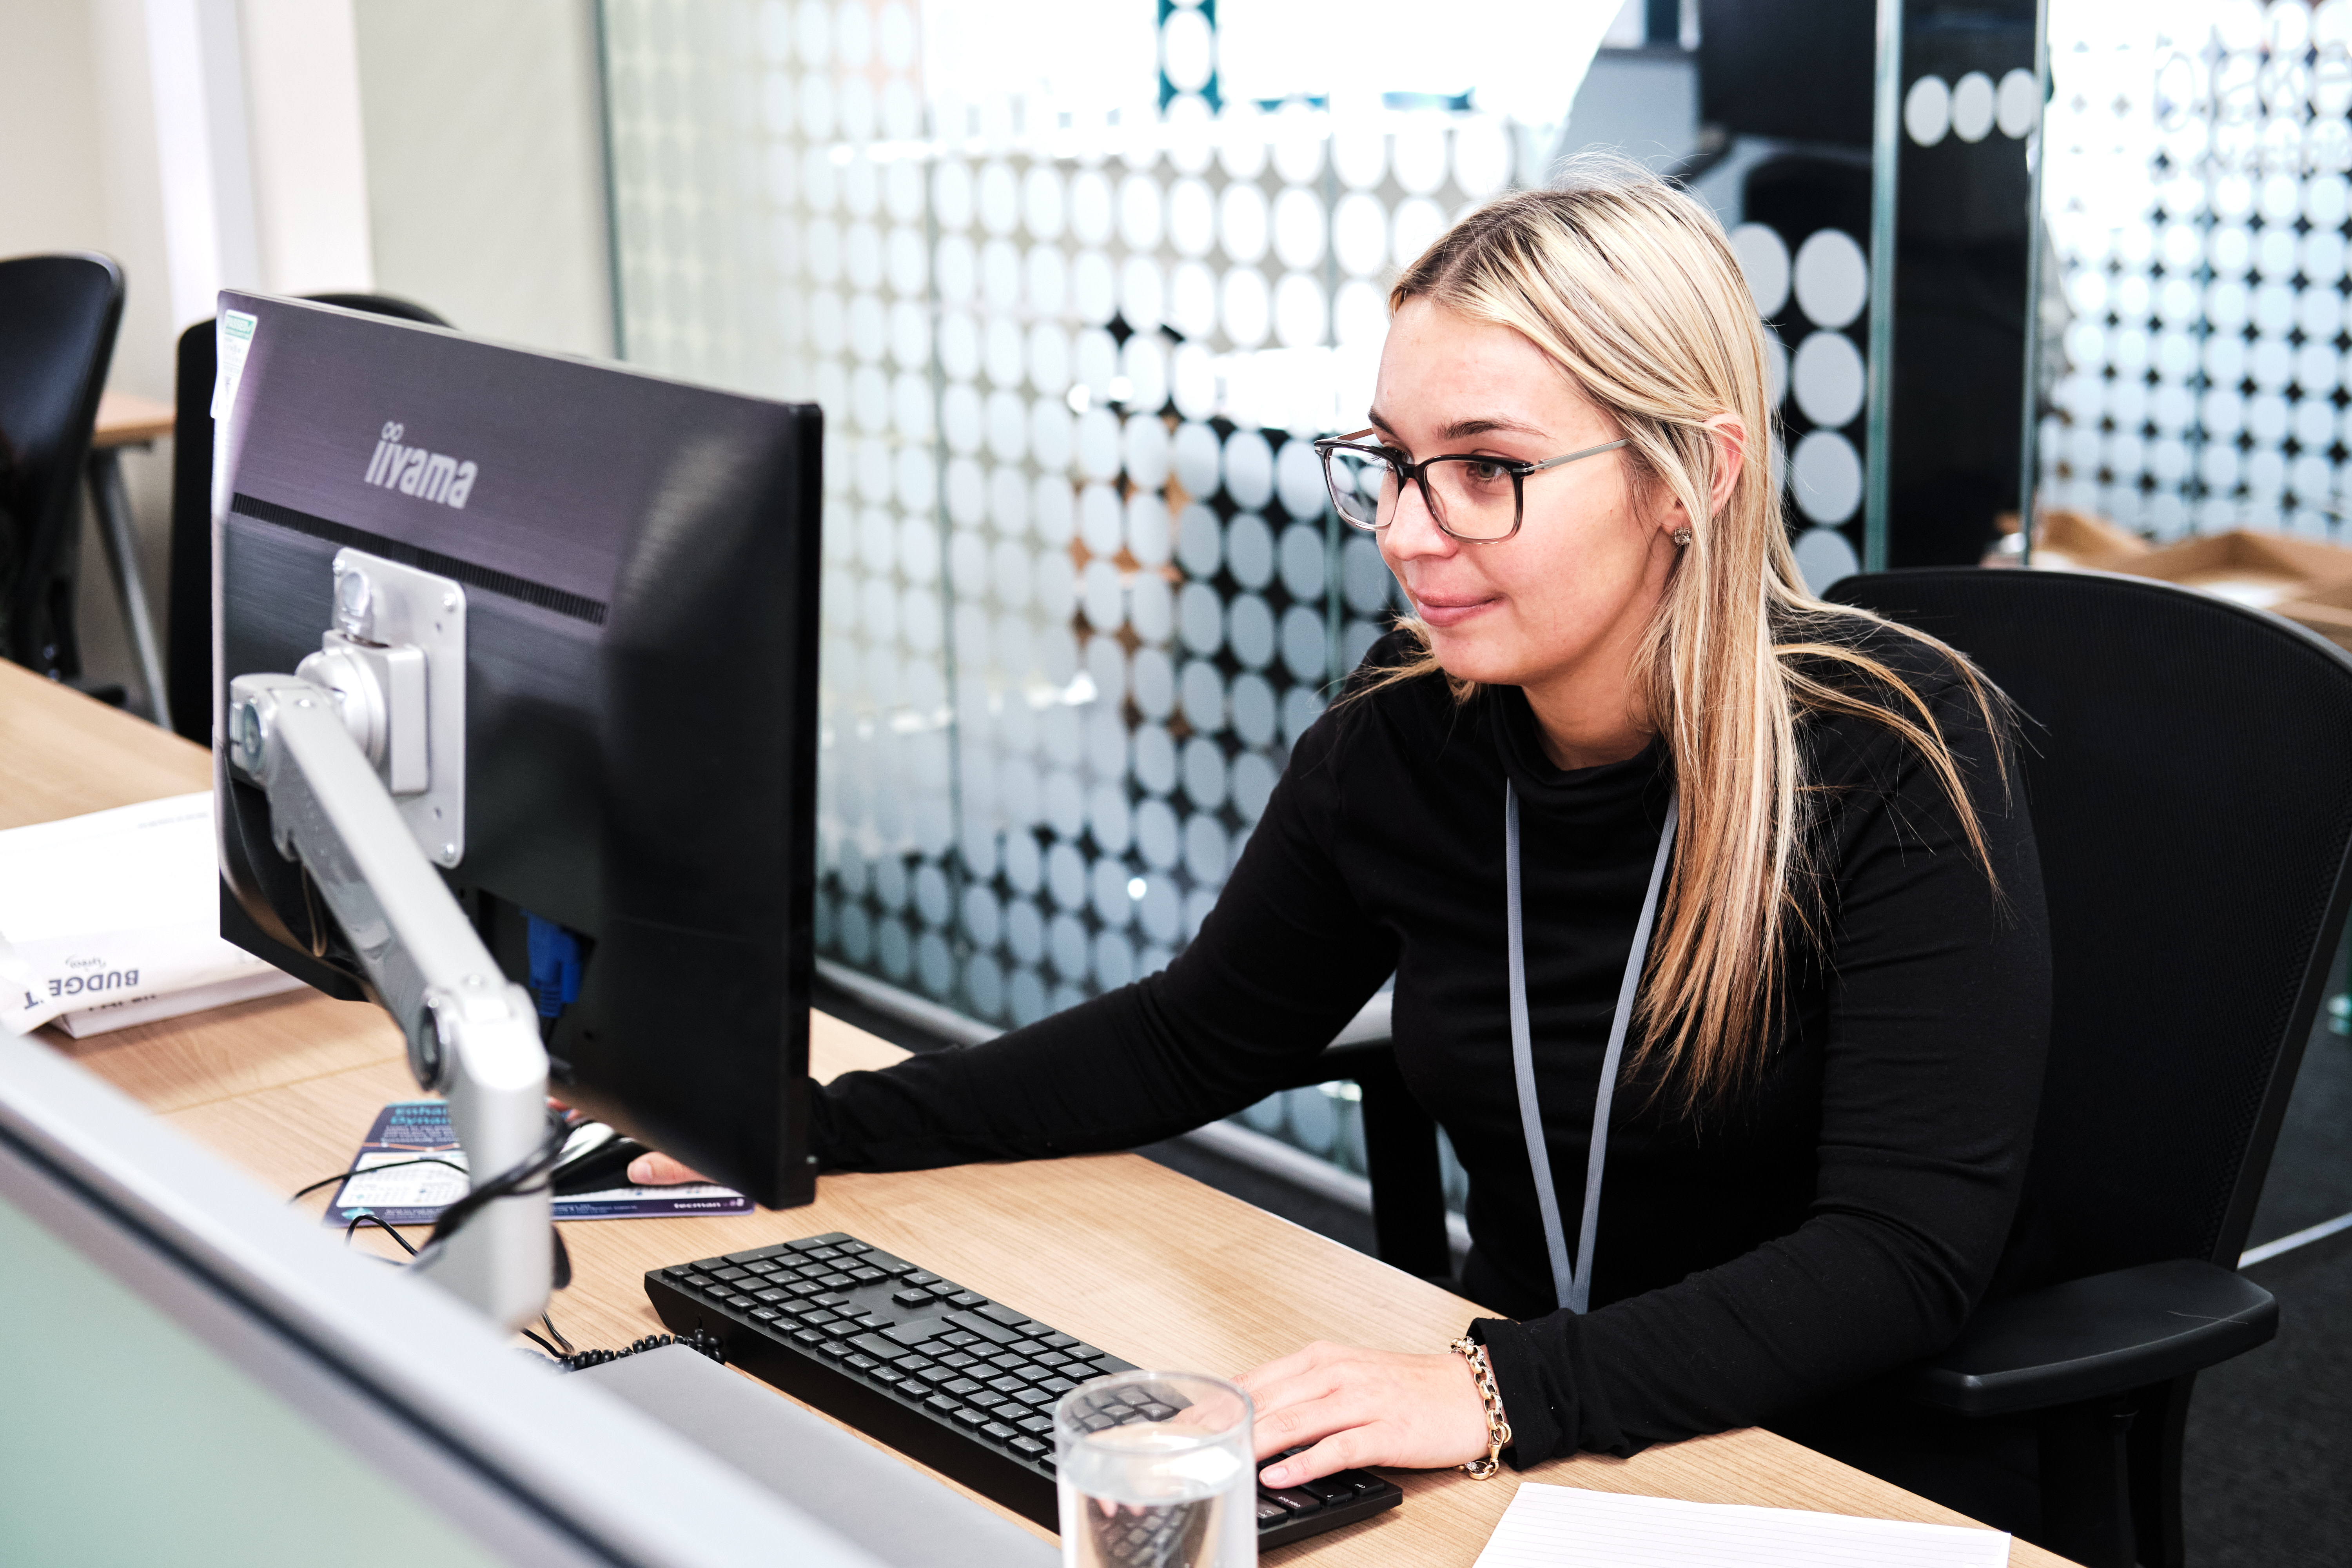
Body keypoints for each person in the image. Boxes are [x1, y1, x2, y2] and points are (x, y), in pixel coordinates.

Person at [630, 161, 2050, 1508]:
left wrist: (1498, 1394)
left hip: (1812, 1465)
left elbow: (1897, 1257)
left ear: (1690, 478)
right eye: (1389, 461)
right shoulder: (1409, 735)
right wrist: (804, 1127)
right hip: (1525, 1439)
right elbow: (1192, 1038)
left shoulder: (1890, 753)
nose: (1407, 531)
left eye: (1484, 467)